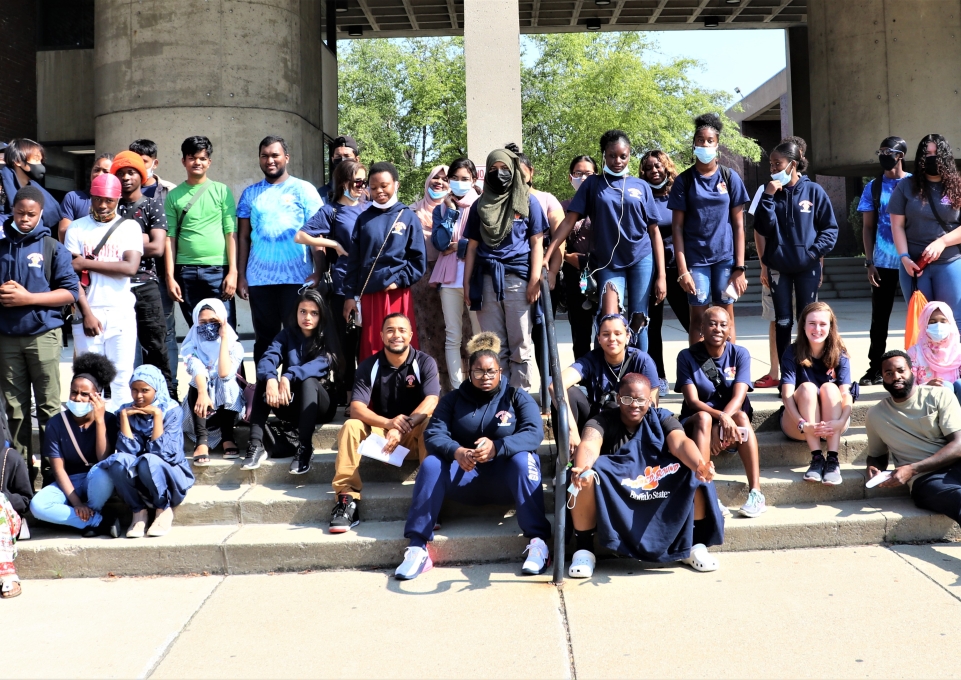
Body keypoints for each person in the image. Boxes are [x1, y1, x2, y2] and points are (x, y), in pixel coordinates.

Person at [396, 333, 550, 580]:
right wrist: (457, 451)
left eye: (491, 371)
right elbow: (433, 433)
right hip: (464, 477)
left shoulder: (515, 397)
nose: (485, 377)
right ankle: (417, 546)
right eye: (479, 372)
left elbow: (534, 434)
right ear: (469, 372)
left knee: (525, 460)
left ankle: (538, 541)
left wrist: (498, 447)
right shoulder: (453, 399)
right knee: (433, 463)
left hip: (505, 480)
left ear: (500, 371)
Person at [566, 373, 723, 578]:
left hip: (656, 483)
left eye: (640, 400)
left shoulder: (661, 417)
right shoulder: (602, 420)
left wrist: (700, 465)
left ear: (650, 400)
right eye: (627, 399)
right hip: (620, 489)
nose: (634, 405)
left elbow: (681, 443)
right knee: (584, 477)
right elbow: (589, 444)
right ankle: (584, 550)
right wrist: (583, 468)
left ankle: (694, 546)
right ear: (618, 398)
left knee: (693, 471)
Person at [547, 130, 665, 351]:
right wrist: (549, 254)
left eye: (623, 156)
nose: (618, 161)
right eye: (612, 156)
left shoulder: (641, 186)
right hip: (609, 263)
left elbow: (654, 232)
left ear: (629, 155)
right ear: (603, 155)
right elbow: (568, 221)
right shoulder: (593, 185)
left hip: (641, 258)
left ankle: (639, 376)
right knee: (609, 320)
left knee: (639, 318)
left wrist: (662, 276)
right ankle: (606, 379)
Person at [0, 187, 80, 484]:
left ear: (41, 213)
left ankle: (52, 476)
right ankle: (21, 481)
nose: (24, 219)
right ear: (12, 211)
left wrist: (28, 298)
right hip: (7, 336)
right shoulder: (1, 246)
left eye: (31, 214)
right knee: (15, 411)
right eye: (19, 213)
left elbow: (69, 292)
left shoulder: (51, 247)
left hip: (44, 335)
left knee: (48, 407)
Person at [332, 313, 439, 534]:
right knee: (351, 426)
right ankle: (346, 500)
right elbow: (357, 408)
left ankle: (429, 500)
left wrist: (401, 427)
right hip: (382, 439)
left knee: (430, 423)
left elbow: (431, 400)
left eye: (401, 330)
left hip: (411, 435)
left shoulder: (424, 362)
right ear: (381, 335)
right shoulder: (369, 365)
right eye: (390, 330)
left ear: (410, 335)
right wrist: (389, 424)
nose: (396, 335)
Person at [462, 148, 546, 389]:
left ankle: (519, 396)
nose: (499, 174)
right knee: (492, 345)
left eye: (505, 169)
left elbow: (537, 241)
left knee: (520, 343)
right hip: (486, 280)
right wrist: (467, 284)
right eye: (493, 169)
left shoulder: (528, 201)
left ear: (514, 171)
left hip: (518, 280)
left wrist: (534, 280)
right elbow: (471, 248)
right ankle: (498, 397)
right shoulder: (480, 205)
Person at [237, 135, 324, 364]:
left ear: (286, 157)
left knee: (297, 339)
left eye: (275, 155)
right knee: (265, 340)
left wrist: (319, 271)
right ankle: (265, 393)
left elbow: (317, 236)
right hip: (260, 280)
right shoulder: (249, 194)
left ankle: (295, 393)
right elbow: (244, 238)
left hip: (297, 279)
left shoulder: (304, 190)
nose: (270, 160)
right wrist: (242, 276)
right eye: (264, 156)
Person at [753, 137, 838, 365]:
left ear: (792, 164)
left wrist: (812, 254)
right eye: (771, 164)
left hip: (806, 268)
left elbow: (829, 229)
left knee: (808, 320)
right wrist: (769, 197)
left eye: (777, 163)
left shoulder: (814, 191)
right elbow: (762, 227)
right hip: (778, 267)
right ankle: (786, 374)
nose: (773, 168)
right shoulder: (769, 192)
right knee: (782, 321)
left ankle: (808, 367)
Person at [64, 173, 144, 412]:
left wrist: (85, 263)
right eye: (98, 199)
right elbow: (71, 276)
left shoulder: (129, 227)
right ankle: (89, 435)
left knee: (121, 377)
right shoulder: (77, 228)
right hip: (88, 313)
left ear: (118, 199)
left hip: (121, 313)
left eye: (108, 200)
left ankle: (119, 433)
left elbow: (129, 268)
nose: (102, 205)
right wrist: (86, 313)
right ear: (91, 197)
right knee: (89, 379)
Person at [669, 113, 750, 344]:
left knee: (726, 318)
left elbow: (738, 225)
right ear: (694, 144)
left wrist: (740, 267)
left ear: (717, 144)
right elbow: (677, 228)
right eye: (700, 140)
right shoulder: (684, 181)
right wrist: (683, 270)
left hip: (725, 259)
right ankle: (697, 372)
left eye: (710, 140)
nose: (705, 144)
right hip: (696, 261)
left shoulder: (729, 177)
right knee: (699, 319)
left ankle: (731, 372)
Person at [676, 306, 764, 518]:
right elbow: (693, 401)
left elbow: (739, 396)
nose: (717, 328)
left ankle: (756, 493)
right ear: (702, 329)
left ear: (730, 330)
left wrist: (725, 419)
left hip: (731, 420)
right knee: (705, 418)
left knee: (741, 415)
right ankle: (708, 491)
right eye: (712, 324)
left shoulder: (740, 354)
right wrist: (720, 420)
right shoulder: (687, 356)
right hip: (697, 421)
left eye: (723, 325)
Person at [244, 289, 341, 473]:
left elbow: (318, 366)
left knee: (308, 381)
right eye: (303, 311)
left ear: (321, 315)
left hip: (320, 405)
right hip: (289, 402)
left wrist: (287, 375)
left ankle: (305, 448)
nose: (307, 317)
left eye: (314, 313)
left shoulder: (326, 338)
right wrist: (272, 378)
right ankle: (255, 444)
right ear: (296, 312)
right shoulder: (286, 335)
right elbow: (267, 359)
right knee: (265, 379)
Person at [298, 159, 367, 410]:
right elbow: (301, 235)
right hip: (342, 286)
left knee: (367, 344)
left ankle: (367, 395)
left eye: (364, 181)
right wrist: (334, 245)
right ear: (344, 182)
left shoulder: (369, 207)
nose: (361, 186)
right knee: (346, 347)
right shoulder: (331, 211)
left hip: (369, 285)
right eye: (357, 181)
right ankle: (349, 397)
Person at [866, 350, 961, 528]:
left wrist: (912, 468)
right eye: (889, 373)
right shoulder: (875, 415)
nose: (896, 377)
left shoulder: (940, 395)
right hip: (926, 481)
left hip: (954, 464)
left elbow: (958, 446)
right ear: (883, 378)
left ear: (912, 370)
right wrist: (873, 467)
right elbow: (877, 455)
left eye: (901, 370)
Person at [29, 353, 121, 537]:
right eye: (74, 392)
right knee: (37, 506)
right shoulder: (56, 423)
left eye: (84, 394)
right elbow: (58, 469)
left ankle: (84, 517)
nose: (77, 398)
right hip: (69, 482)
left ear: (97, 396)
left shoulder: (110, 420)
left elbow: (103, 458)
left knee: (102, 471)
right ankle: (96, 521)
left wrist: (100, 421)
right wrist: (77, 503)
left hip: (97, 480)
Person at [342, 162, 426, 360]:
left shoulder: (408, 217)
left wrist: (399, 281)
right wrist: (349, 296)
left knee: (399, 345)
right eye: (373, 187)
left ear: (395, 185)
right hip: (370, 295)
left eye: (384, 185)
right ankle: (372, 390)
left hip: (397, 294)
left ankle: (405, 389)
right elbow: (354, 261)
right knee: (372, 347)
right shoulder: (363, 219)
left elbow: (418, 260)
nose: (379, 191)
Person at [98, 365, 193, 538]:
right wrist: (125, 418)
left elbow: (163, 453)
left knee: (148, 460)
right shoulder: (126, 410)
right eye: (134, 390)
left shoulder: (172, 411)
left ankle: (162, 508)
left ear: (156, 389)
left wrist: (157, 415)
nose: (139, 396)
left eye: (145, 390)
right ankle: (138, 512)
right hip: (140, 474)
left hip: (168, 473)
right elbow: (128, 451)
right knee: (118, 461)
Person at [111, 150, 176, 398]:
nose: (126, 177)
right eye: (121, 173)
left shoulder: (151, 205)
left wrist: (121, 244)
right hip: (115, 286)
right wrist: (141, 240)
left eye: (131, 172)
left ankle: (167, 396)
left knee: (156, 345)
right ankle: (124, 398)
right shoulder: (109, 206)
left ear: (141, 174)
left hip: (146, 285)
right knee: (120, 348)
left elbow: (158, 247)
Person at [164, 135, 238, 330]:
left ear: (209, 162)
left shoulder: (222, 191)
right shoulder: (173, 196)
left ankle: (230, 363)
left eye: (202, 158)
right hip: (185, 272)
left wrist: (233, 272)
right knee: (198, 330)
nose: (197, 162)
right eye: (192, 157)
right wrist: (170, 277)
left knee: (226, 331)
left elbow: (231, 234)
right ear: (183, 161)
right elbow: (169, 238)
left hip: (218, 271)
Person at [554, 314, 659, 450]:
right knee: (569, 393)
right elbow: (556, 385)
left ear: (627, 337)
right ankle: (566, 459)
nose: (612, 339)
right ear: (599, 338)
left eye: (618, 333)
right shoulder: (591, 359)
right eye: (605, 334)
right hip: (597, 420)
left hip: (630, 419)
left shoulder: (642, 361)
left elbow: (652, 404)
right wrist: (572, 430)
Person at [779, 302, 854, 486]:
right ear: (803, 325)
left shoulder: (840, 353)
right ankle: (817, 458)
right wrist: (803, 424)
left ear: (831, 326)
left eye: (823, 324)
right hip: (799, 423)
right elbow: (787, 395)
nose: (817, 329)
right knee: (807, 387)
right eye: (812, 323)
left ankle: (833, 460)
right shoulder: (792, 352)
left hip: (833, 423)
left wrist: (842, 421)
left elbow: (846, 394)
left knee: (829, 388)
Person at [858, 136, 911, 386]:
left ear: (900, 155)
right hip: (882, 263)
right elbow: (868, 227)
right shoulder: (874, 186)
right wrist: (869, 262)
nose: (882, 155)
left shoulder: (914, 184)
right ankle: (875, 368)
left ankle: (920, 366)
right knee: (879, 318)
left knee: (919, 314)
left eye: (887, 151)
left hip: (913, 261)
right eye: (879, 151)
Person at [891, 134, 961, 321]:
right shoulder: (905, 186)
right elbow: (896, 226)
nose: (931, 158)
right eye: (927, 154)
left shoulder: (958, 186)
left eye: (936, 153)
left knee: (954, 322)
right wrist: (904, 257)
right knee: (921, 322)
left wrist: (943, 242)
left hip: (949, 263)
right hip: (914, 266)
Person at [130, 139, 180, 397]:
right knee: (135, 334)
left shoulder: (169, 192)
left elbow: (168, 240)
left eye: (144, 163)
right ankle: (138, 389)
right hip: (130, 274)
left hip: (161, 272)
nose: (137, 171)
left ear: (154, 163)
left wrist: (171, 275)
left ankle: (168, 389)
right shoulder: (120, 194)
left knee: (165, 332)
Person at [428, 157, 481, 391]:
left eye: (464, 179)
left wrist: (457, 246)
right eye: (455, 179)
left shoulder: (481, 205)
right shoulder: (442, 208)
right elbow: (440, 243)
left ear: (473, 179)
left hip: (476, 276)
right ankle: (459, 388)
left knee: (480, 335)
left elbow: (482, 242)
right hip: (449, 278)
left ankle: (482, 383)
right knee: (453, 336)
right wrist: (450, 213)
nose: (459, 183)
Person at [641, 149, 690, 391]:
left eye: (658, 166)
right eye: (649, 168)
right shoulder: (642, 196)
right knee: (652, 327)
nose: (654, 171)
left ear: (666, 167)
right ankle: (657, 377)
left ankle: (697, 376)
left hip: (679, 268)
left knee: (694, 323)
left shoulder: (679, 194)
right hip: (651, 271)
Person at [180, 298, 245, 465]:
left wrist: (224, 339)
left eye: (214, 321)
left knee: (227, 382)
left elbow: (224, 373)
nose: (208, 326)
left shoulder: (235, 347)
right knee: (197, 382)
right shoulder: (190, 346)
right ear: (196, 323)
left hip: (228, 407)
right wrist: (202, 392)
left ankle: (227, 437)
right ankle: (202, 440)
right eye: (203, 322)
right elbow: (196, 368)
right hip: (198, 408)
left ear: (223, 321)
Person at [410, 165, 452, 390]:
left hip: (448, 276)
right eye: (436, 177)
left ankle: (451, 387)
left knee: (451, 334)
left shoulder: (455, 210)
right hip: (420, 280)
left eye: (445, 179)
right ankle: (428, 388)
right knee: (424, 334)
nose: (439, 182)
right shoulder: (411, 212)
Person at [558, 155, 598, 359]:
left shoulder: (605, 203)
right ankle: (583, 377)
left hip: (602, 274)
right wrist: (566, 256)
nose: (583, 178)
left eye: (588, 174)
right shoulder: (562, 207)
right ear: (570, 177)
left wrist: (588, 260)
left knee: (606, 331)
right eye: (578, 173)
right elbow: (552, 240)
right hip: (575, 278)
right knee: (580, 333)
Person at [0, 138, 62, 232]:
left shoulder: (36, 190)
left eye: (41, 161)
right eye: (36, 159)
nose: (40, 166)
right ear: (17, 161)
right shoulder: (2, 186)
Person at [906, 301, 961, 403]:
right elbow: (908, 387)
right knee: (945, 387)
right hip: (927, 402)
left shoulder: (958, 351)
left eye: (943, 321)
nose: (938, 326)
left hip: (957, 402)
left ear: (951, 323)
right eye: (932, 322)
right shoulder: (915, 353)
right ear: (925, 324)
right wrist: (927, 386)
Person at [1, 442, 33, 598]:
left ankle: (7, 574)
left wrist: (5, 496)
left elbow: (26, 500)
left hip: (6, 520)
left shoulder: (11, 457)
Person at [58, 153, 113, 241]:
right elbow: (64, 233)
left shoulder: (120, 202)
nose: (99, 174)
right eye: (96, 170)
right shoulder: (73, 197)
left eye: (106, 172)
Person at [318, 135, 360, 205]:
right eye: (338, 156)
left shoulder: (367, 193)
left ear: (357, 159)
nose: (342, 160)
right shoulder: (322, 194)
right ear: (332, 160)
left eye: (347, 156)